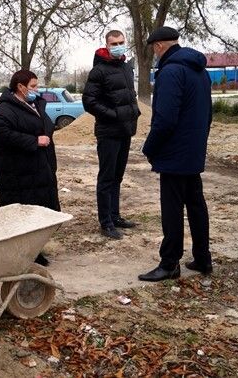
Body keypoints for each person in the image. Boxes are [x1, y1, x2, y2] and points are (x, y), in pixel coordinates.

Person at [138, 27, 213, 282]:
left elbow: (165, 119)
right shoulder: (200, 71)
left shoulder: (170, 72)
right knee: (196, 205)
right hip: (193, 151)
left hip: (173, 154)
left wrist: (150, 148)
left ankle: (170, 263)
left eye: (154, 49)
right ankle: (203, 258)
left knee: (172, 210)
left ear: (159, 46)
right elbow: (208, 114)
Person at [0, 70, 59, 266]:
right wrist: (34, 140)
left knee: (40, 211)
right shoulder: (6, 109)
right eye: (33, 86)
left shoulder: (34, 104)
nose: (37, 90)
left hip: (39, 168)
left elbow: (45, 126)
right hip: (20, 172)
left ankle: (35, 250)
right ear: (20, 87)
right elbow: (1, 132)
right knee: (25, 215)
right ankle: (27, 255)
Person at [82, 29, 141, 240]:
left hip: (125, 130)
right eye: (114, 43)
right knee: (106, 178)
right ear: (107, 45)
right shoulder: (99, 71)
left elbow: (129, 95)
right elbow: (89, 102)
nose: (118, 46)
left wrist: (133, 113)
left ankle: (115, 216)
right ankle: (105, 222)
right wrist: (113, 115)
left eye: (121, 42)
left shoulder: (126, 67)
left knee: (118, 177)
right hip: (108, 131)